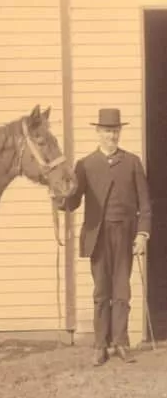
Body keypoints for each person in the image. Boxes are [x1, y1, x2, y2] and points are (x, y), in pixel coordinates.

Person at [57, 108, 152, 366]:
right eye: (107, 131)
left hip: (125, 234)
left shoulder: (132, 162)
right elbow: (73, 201)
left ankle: (120, 343)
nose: (112, 136)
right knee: (101, 290)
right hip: (98, 236)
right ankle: (100, 345)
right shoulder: (85, 165)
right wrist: (60, 196)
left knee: (122, 289)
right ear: (98, 132)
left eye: (115, 131)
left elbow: (145, 204)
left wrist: (142, 234)